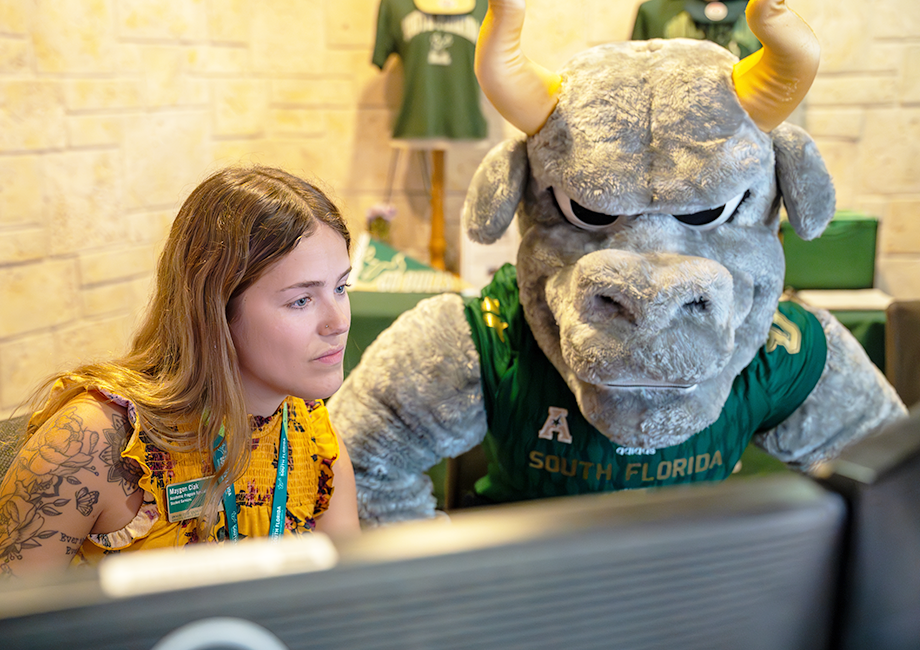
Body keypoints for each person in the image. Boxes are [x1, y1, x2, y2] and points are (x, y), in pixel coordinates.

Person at [0, 166, 360, 579]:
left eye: (340, 288)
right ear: (215, 310)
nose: (338, 322)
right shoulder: (94, 441)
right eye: (301, 300)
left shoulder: (313, 435)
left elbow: (346, 613)